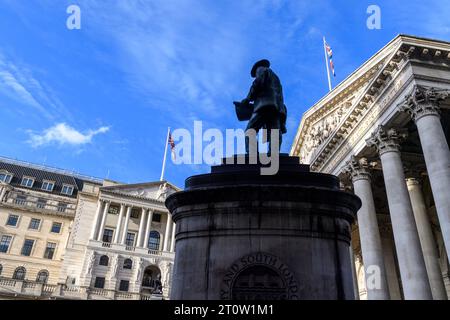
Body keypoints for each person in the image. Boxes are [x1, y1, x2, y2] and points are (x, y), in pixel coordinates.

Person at [234, 59, 287, 154]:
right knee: (275, 131)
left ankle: (252, 153)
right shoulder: (276, 78)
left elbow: (257, 83)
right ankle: (273, 153)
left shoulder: (261, 70)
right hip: (276, 108)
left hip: (264, 106)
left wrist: (248, 99)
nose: (256, 74)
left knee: (250, 131)